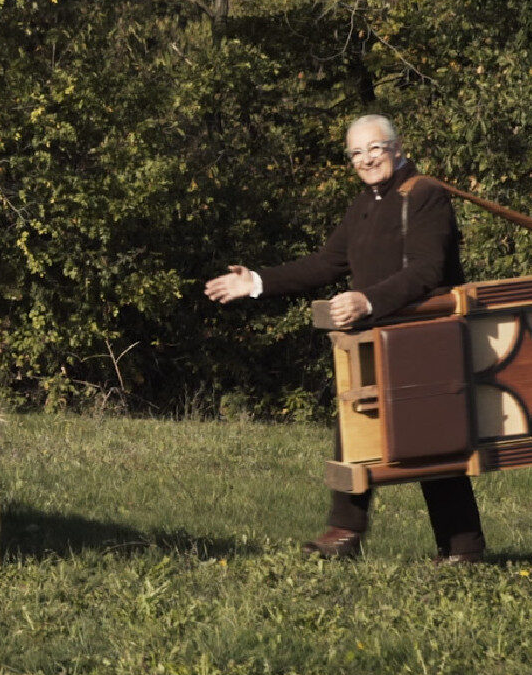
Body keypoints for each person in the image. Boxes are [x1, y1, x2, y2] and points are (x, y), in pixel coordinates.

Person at [204, 114, 486, 564]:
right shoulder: (363, 205)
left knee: (434, 439)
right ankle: (345, 533)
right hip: (374, 339)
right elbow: (325, 264)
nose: (365, 159)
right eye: (355, 153)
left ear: (396, 146)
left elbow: (427, 271)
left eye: (373, 148)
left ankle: (463, 550)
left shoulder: (426, 195)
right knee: (354, 428)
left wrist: (367, 302)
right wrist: (257, 282)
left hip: (423, 335)